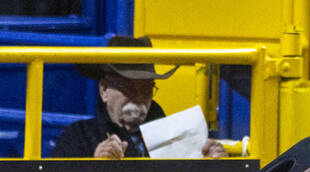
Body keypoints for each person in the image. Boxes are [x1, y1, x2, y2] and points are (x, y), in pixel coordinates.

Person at [51, 38, 226, 159]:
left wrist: (213, 164)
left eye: (146, 88)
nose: (138, 96)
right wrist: (93, 166)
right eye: (127, 87)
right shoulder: (78, 137)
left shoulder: (175, 138)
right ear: (104, 90)